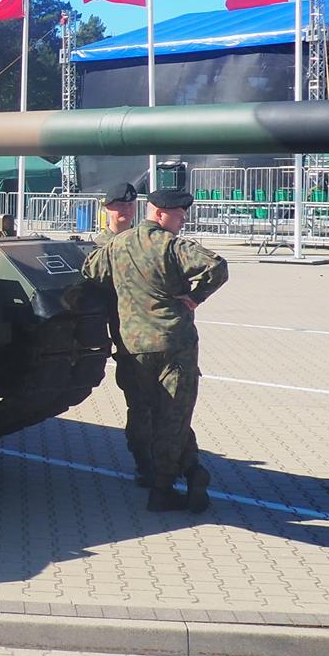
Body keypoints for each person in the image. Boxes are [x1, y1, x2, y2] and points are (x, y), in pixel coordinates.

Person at [80, 188, 228, 513]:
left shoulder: (117, 245)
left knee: (143, 411)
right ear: (159, 214)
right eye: (179, 215)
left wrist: (124, 289)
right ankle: (165, 486)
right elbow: (217, 266)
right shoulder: (172, 246)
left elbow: (90, 270)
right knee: (174, 415)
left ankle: (163, 470)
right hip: (173, 345)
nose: (183, 220)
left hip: (133, 347)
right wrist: (196, 297)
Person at [84, 181, 154, 487]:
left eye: (129, 205)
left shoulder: (147, 242)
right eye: (117, 205)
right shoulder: (97, 248)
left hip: (155, 336)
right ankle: (145, 462)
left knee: (166, 406)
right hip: (127, 340)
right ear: (106, 208)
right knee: (139, 404)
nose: (124, 210)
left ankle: (169, 460)